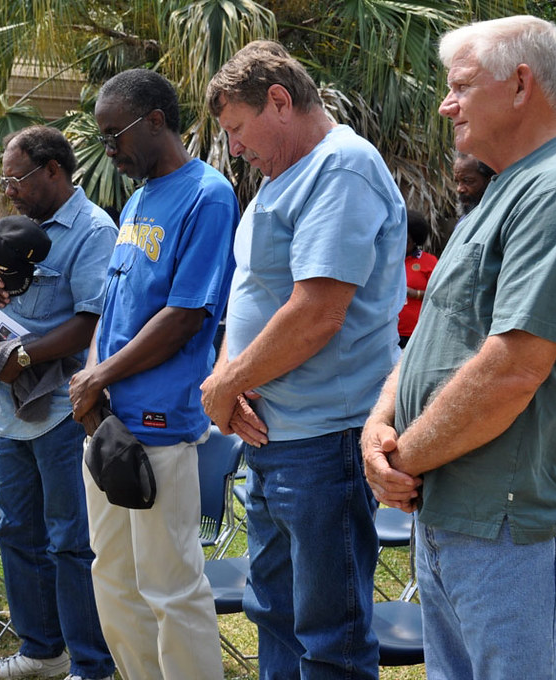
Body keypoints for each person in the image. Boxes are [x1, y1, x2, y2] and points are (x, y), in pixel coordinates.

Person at [362, 16, 556, 679]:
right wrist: (378, 434)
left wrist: (403, 460)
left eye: (459, 86)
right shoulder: (502, 191)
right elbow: (432, 334)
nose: (446, 103)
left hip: (516, 526)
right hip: (460, 508)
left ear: (519, 85)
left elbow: (512, 371)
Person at [200, 40, 405, 679]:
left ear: (280, 102)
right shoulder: (281, 179)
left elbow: (317, 312)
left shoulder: (340, 168)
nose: (234, 147)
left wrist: (225, 383)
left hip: (324, 439)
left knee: (328, 637)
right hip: (275, 437)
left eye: (237, 128)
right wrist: (227, 383)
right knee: (274, 614)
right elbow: (253, 296)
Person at [68, 68, 238, 680]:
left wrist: (99, 376)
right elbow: (115, 309)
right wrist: (91, 381)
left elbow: (186, 315)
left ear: (156, 121)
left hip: (160, 426)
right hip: (108, 422)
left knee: (170, 586)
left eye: (114, 135)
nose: (107, 149)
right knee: (111, 578)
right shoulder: (137, 198)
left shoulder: (208, 194)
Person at [0, 125, 116, 680]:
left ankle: (90, 663)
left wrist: (25, 358)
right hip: (11, 411)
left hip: (62, 410)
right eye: (5, 179)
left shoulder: (92, 231)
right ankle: (40, 652)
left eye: (16, 178)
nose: (8, 189)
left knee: (69, 542)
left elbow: (92, 320)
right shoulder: (25, 226)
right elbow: (19, 294)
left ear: (53, 171)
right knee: (17, 532)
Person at [398, 210, 438, 348]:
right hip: (388, 331)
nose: (402, 243)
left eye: (407, 240)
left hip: (417, 332)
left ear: (415, 239)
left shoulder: (429, 262)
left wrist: (416, 293)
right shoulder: (387, 261)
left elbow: (441, 295)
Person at [453, 151, 495, 215]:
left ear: (489, 179)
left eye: (467, 181)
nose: (459, 189)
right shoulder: (464, 221)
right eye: (457, 182)